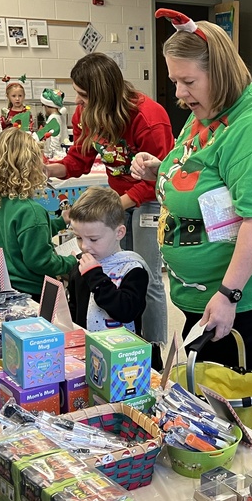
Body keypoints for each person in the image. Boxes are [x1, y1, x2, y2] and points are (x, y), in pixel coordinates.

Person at [131, 9, 252, 375]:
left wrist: (228, 295)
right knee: (203, 406)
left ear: (219, 73)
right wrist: (161, 168)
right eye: (175, 80)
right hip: (203, 293)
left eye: (187, 81)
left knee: (232, 410)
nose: (178, 93)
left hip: (245, 299)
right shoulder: (207, 109)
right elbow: (205, 172)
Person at [45, 53, 173, 352]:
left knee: (146, 275)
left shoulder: (148, 118)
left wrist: (119, 205)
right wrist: (50, 168)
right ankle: (114, 335)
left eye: (84, 95)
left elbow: (162, 176)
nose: (79, 102)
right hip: (119, 199)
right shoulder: (85, 114)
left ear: (104, 95)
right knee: (110, 267)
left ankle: (151, 346)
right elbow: (78, 161)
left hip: (150, 200)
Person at [0, 129, 78, 295]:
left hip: (7, 286)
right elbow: (41, 261)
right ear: (32, 166)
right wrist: (72, 261)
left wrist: (62, 221)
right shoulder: (32, 211)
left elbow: (22, 236)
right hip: (33, 291)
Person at [66, 186, 150, 336]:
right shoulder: (80, 268)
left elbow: (126, 311)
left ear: (119, 233)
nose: (84, 246)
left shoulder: (133, 269)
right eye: (79, 237)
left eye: (93, 239)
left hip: (123, 353)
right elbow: (75, 309)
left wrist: (96, 279)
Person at [36, 88, 68, 159]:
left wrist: (51, 155)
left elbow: (55, 138)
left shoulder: (53, 118)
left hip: (56, 155)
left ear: (47, 105)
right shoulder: (59, 115)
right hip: (60, 151)